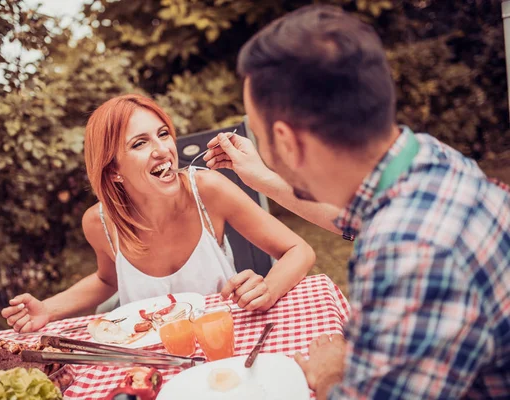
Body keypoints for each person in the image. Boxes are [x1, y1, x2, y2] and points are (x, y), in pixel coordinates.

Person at [204, 5, 510, 400]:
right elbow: (355, 219)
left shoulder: (409, 253)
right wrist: (265, 178)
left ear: (287, 140)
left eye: (261, 136)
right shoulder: (427, 158)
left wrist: (331, 375)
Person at [1, 94, 316, 333]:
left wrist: (268, 289)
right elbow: (105, 279)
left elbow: (298, 250)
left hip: (221, 342)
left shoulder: (207, 190)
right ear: (113, 172)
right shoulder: (99, 222)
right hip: (149, 359)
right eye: (140, 143)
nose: (162, 149)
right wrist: (48, 308)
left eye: (163, 134)